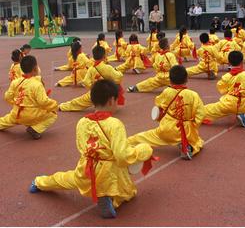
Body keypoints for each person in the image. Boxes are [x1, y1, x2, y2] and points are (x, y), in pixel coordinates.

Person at [30, 80, 153, 219]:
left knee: (64, 179)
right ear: (112, 100)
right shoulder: (115, 124)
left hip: (86, 169)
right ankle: (110, 199)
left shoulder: (82, 122)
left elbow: (82, 148)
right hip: (109, 173)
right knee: (127, 188)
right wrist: (144, 150)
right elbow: (122, 155)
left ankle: (39, 182)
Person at [128, 65, 206, 160]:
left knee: (144, 137)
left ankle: (126, 143)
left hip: (166, 128)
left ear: (170, 80)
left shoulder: (167, 92)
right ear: (186, 79)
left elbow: (158, 103)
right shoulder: (193, 95)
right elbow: (201, 114)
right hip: (185, 130)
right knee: (197, 141)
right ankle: (188, 147)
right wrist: (193, 125)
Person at [0, 55, 58, 140]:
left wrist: (16, 103)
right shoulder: (37, 84)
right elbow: (43, 102)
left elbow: (7, 97)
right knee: (53, 115)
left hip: (16, 114)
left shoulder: (15, 82)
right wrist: (54, 104)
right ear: (35, 68)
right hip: (31, 116)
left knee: (4, 121)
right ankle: (35, 129)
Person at [203, 51, 245, 128]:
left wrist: (230, 91)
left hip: (229, 103)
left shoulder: (226, 76)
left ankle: (192, 115)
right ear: (242, 61)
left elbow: (221, 87)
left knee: (206, 110)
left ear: (229, 63)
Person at [59, 45, 124, 112]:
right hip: (108, 93)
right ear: (104, 56)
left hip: (96, 93)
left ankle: (62, 107)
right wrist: (118, 72)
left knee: (79, 102)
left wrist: (93, 88)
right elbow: (118, 77)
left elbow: (86, 81)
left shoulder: (91, 68)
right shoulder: (108, 67)